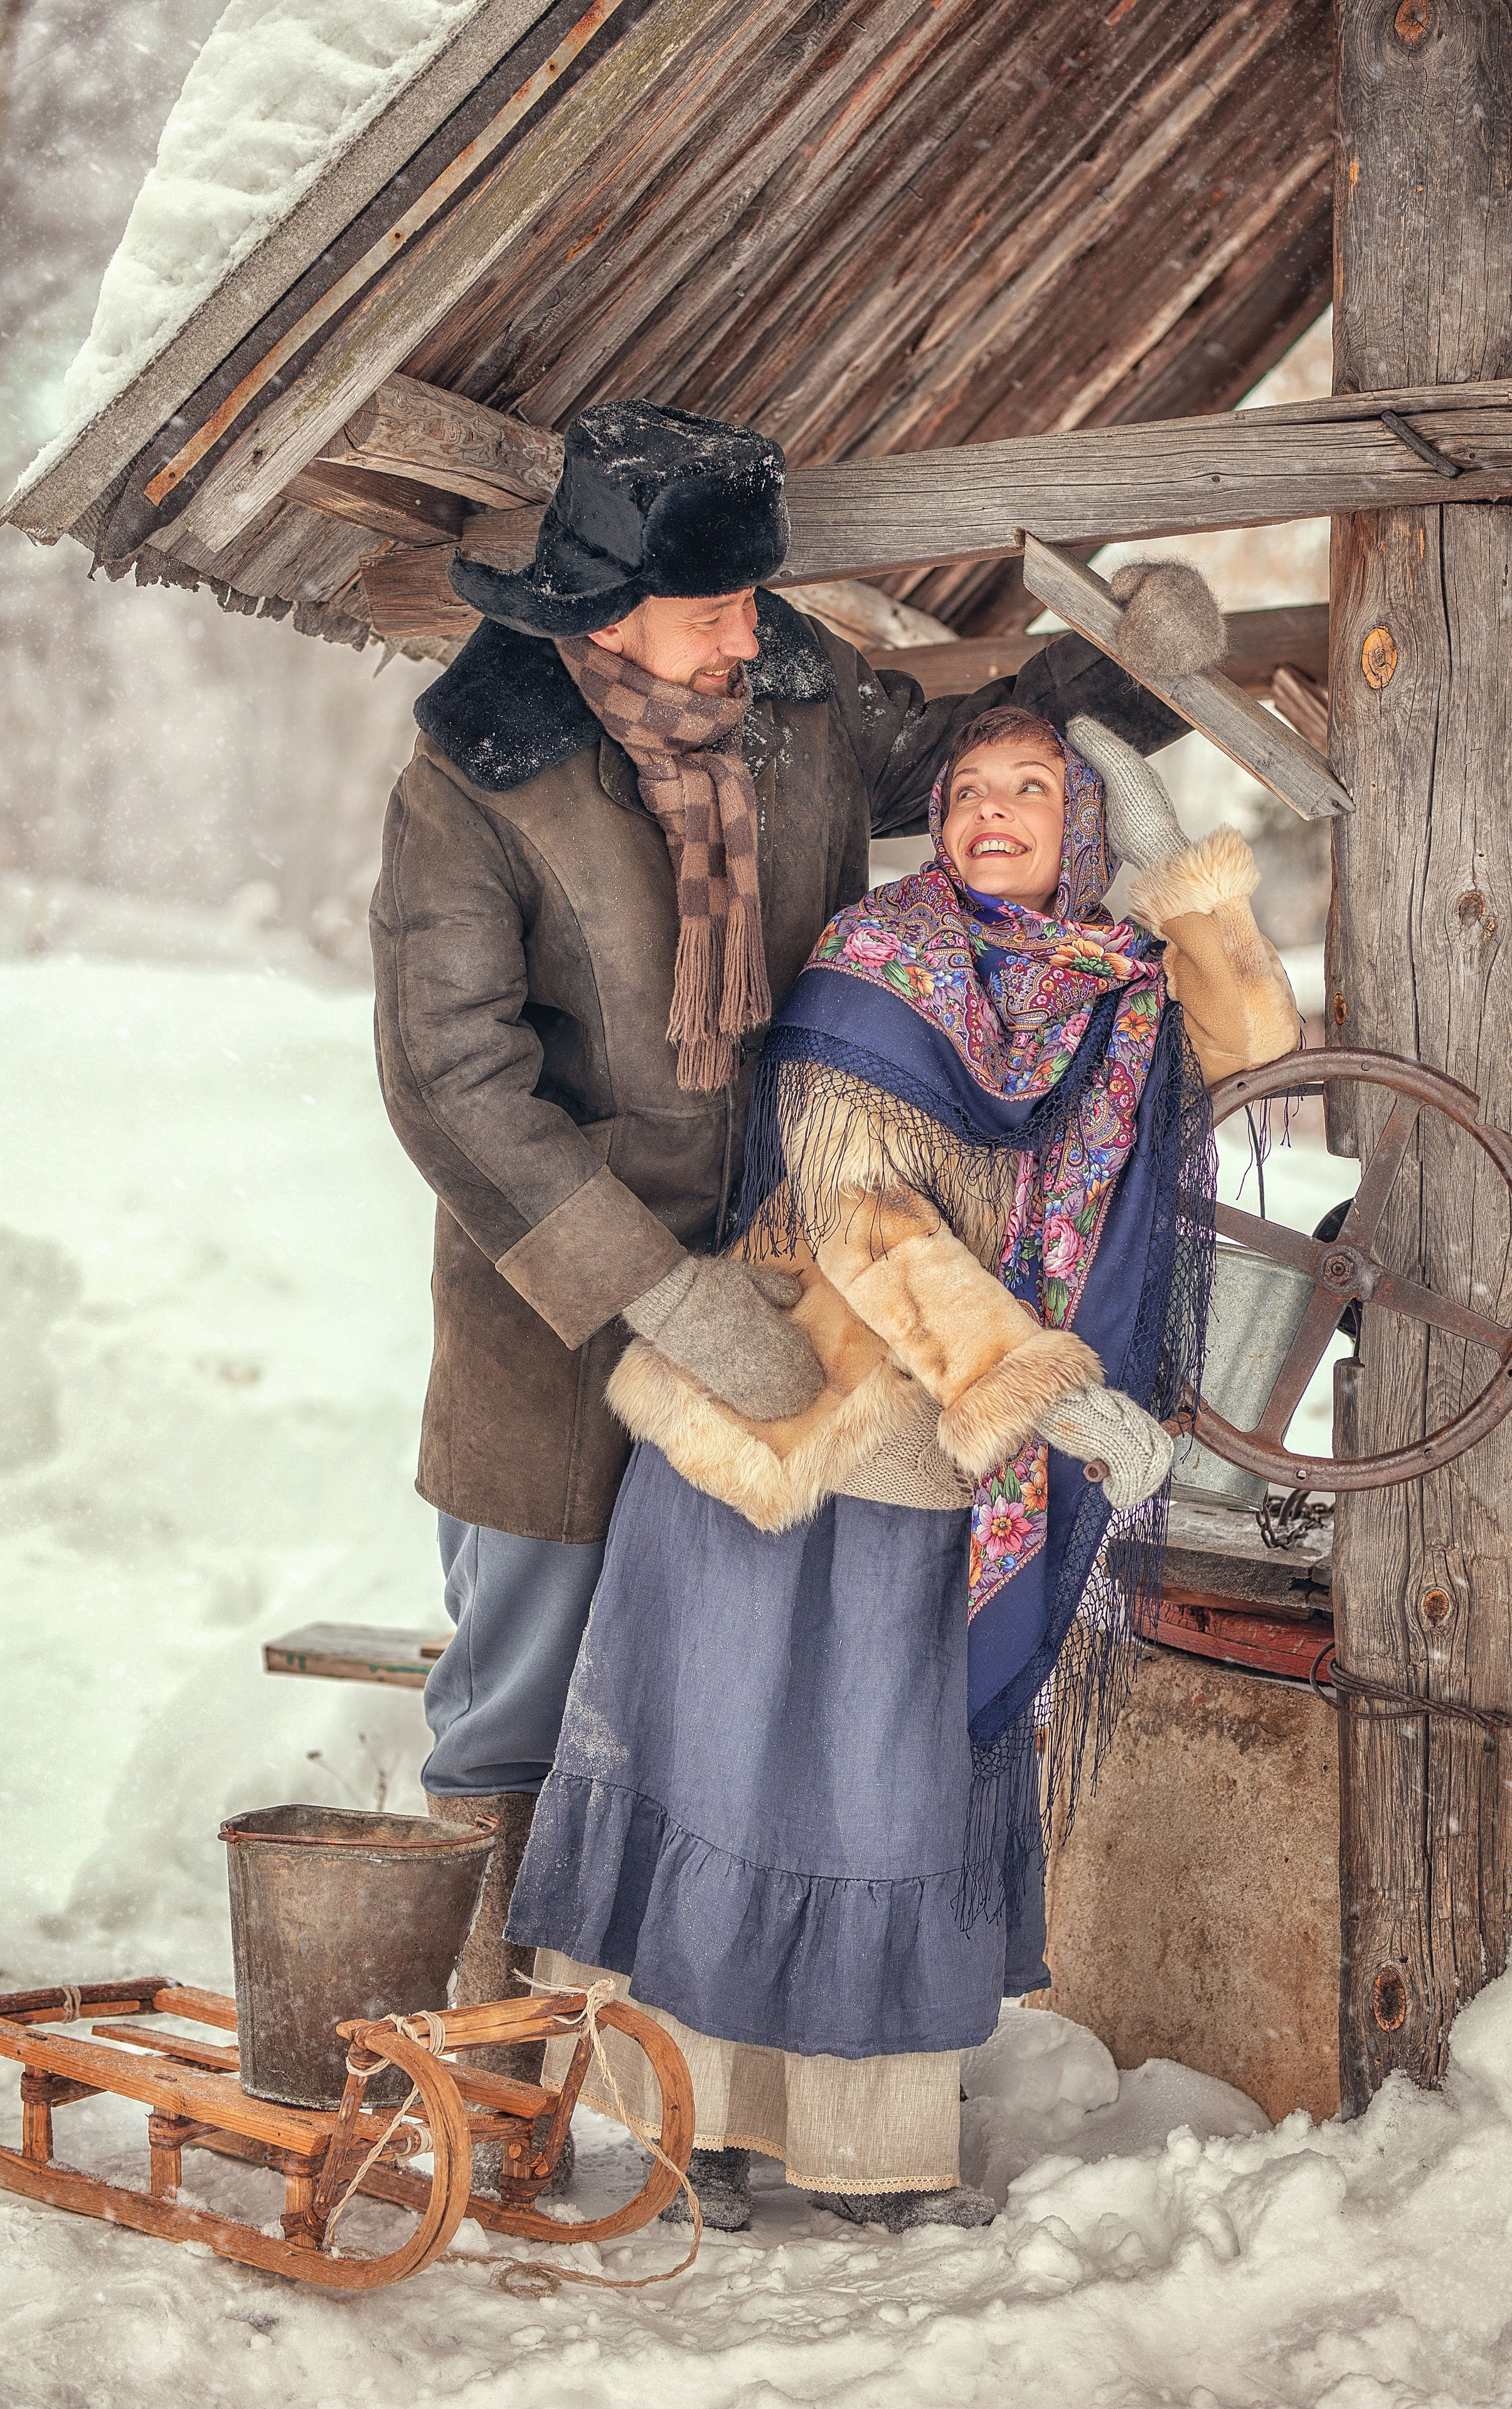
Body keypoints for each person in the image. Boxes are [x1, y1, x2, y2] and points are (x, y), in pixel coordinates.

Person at [368, 399, 1201, 2041]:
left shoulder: (793, 696)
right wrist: (659, 1296)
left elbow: (961, 757)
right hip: (564, 1319)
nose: (753, 636)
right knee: (521, 1708)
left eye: (758, 600)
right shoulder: (476, 783)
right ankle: (502, 2091)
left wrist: (1123, 683)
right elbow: (454, 1088)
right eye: (716, 609)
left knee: (732, 1699)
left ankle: (694, 2077)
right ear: (606, 602)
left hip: (807, 1292)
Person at [506, 702, 1301, 2231]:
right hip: (807, 1430)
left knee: (878, 1795)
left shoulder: (1107, 987)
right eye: (965, 794)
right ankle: (701, 2133)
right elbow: (867, 1225)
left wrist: (1178, 879)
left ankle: (857, 2149)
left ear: (1077, 827)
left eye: (1032, 791)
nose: (991, 813)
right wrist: (1049, 1398)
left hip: (959, 1463)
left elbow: (1254, 1048)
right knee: (742, 1771)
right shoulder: (876, 967)